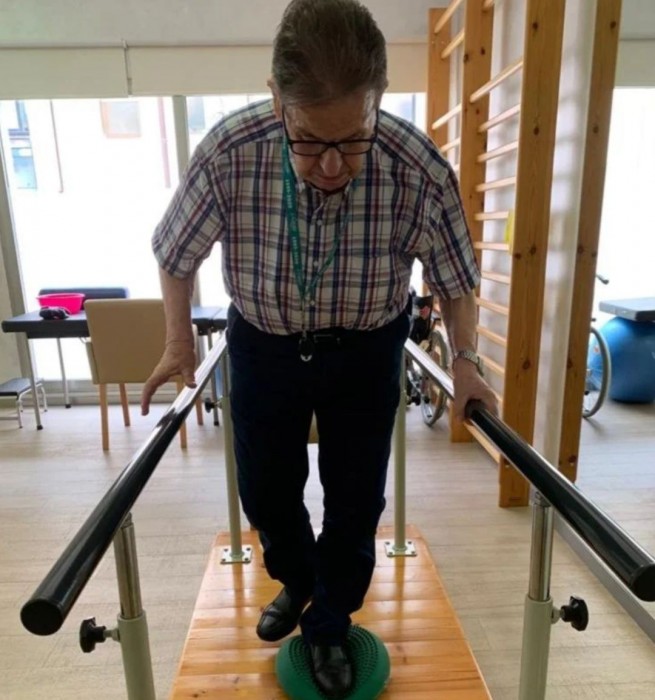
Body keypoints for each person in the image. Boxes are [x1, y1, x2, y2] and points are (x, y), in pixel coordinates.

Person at [141, 0, 497, 696]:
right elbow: (175, 253)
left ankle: (329, 622)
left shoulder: (417, 166)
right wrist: (178, 341)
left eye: (354, 138)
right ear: (277, 101)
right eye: (308, 140)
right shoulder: (230, 151)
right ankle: (299, 581)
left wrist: (464, 362)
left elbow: (456, 278)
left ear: (378, 101)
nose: (332, 164)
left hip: (366, 351)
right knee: (265, 493)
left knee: (355, 500)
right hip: (263, 347)